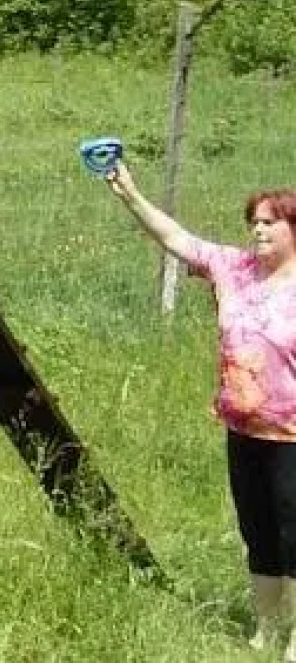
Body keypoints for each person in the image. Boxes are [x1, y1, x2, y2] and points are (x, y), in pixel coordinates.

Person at [105, 161, 296, 656]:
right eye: (253, 220)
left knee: (295, 533)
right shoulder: (233, 269)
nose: (257, 228)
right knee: (258, 532)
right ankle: (266, 629)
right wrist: (130, 193)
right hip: (243, 429)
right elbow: (175, 238)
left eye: (269, 221)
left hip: (293, 435)